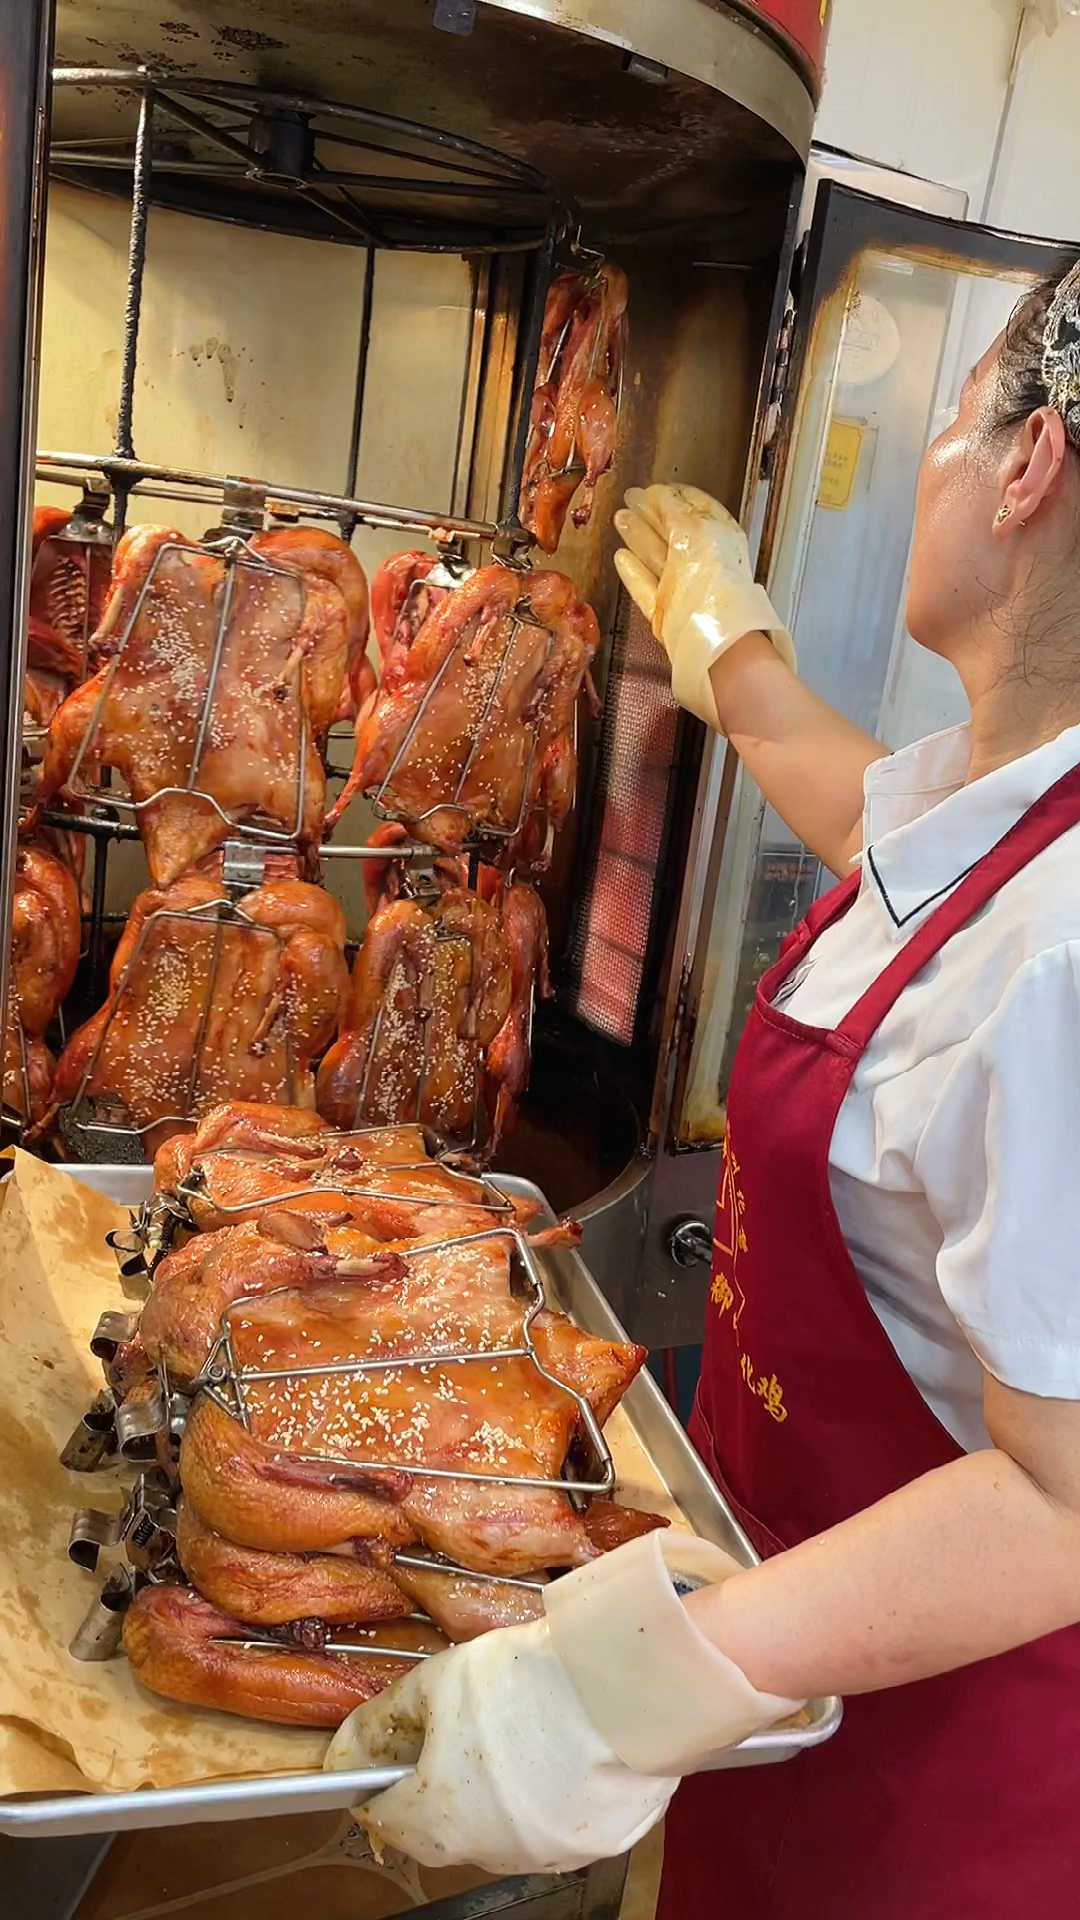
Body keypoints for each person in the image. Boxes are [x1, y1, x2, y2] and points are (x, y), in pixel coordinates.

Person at [327, 257, 1080, 1916]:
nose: (947, 453)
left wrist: (607, 1695)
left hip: (929, 1784)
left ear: (1027, 465)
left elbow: (1066, 1500)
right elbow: (881, 830)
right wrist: (727, 648)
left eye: (959, 416)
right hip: (783, 1688)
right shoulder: (1018, 819)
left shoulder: (1073, 947)